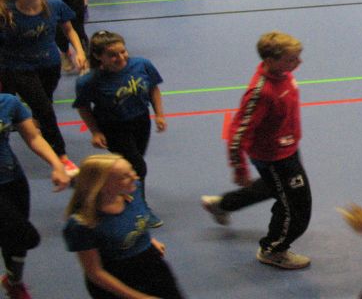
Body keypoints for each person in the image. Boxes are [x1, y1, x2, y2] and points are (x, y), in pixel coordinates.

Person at [200, 31, 313, 270]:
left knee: (272, 187)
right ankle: (273, 250)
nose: (299, 63)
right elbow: (237, 133)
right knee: (296, 207)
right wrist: (239, 168)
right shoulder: (261, 92)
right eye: (292, 59)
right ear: (271, 61)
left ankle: (223, 204)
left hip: (287, 147)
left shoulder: (283, 74)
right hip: (274, 157)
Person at [75, 31, 166, 228]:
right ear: (99, 56)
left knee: (132, 165)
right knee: (138, 167)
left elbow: (153, 89)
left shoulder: (142, 65)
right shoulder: (89, 81)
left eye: (123, 52)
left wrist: (159, 114)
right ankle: (140, 209)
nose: (121, 58)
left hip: (141, 121)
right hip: (113, 127)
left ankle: (114, 191)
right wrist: (96, 131)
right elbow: (83, 107)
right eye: (112, 55)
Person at [0, 0, 86, 178]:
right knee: (45, 110)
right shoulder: (6, 13)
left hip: (49, 65)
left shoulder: (54, 4)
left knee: (44, 102)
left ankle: (34, 121)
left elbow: (69, 29)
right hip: (18, 68)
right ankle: (61, 156)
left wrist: (79, 51)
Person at [64, 154, 185, 299]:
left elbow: (135, 218)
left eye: (131, 170)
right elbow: (95, 272)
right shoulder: (82, 224)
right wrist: (138, 297)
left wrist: (147, 240)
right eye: (124, 176)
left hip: (151, 264)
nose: (135, 177)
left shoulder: (133, 191)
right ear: (102, 186)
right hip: (118, 278)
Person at [0, 90, 71, 299]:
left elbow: (33, 137)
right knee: (26, 236)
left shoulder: (8, 103)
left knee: (16, 240)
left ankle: (14, 282)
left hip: (13, 180)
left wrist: (57, 164)